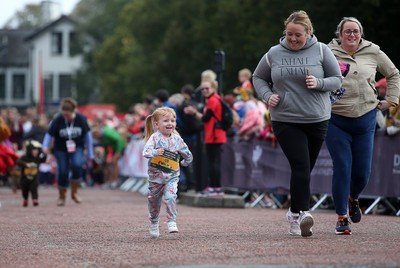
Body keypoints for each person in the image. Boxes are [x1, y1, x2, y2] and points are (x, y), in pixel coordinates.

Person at [253, 10, 342, 237]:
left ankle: (292, 213)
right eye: (289, 34)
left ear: (308, 32)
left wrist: (319, 82)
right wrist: (266, 95)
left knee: (303, 169)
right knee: (301, 166)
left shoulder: (322, 50)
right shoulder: (274, 53)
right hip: (285, 119)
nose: (293, 39)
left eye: (298, 35)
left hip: (317, 119)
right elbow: (258, 77)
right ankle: (304, 213)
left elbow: (337, 80)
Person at [326, 17, 400, 235]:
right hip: (336, 118)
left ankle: (353, 198)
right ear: (339, 34)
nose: (351, 35)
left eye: (355, 31)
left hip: (366, 117)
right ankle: (341, 218)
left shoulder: (373, 51)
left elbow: (394, 73)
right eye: (347, 31)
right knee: (342, 166)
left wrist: (392, 101)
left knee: (362, 173)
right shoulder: (326, 52)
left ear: (361, 34)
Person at [143, 107, 192, 238]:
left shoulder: (177, 139)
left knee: (170, 197)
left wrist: (186, 162)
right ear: (157, 124)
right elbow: (145, 152)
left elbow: (187, 153)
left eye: (173, 120)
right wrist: (155, 152)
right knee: (154, 201)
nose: (170, 123)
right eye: (166, 121)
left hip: (172, 175)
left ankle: (171, 221)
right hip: (156, 177)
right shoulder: (154, 138)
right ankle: (153, 221)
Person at [42, 98, 94, 206]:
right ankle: (62, 196)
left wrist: (90, 153)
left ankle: (74, 192)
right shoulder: (58, 119)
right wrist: (44, 146)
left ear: (74, 112)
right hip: (60, 149)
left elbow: (88, 136)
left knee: (77, 165)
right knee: (63, 171)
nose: (66, 117)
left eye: (68, 115)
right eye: (64, 114)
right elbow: (49, 134)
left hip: (77, 147)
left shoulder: (81, 119)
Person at [184, 80, 227, 197]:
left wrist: (194, 112)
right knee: (214, 161)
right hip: (214, 134)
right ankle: (215, 187)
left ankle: (215, 187)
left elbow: (206, 118)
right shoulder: (214, 99)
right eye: (202, 89)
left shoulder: (213, 100)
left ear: (213, 88)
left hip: (214, 135)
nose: (204, 91)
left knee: (214, 162)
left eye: (207, 88)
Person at [92, 124, 126, 189]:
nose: (95, 137)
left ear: (98, 132)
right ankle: (107, 181)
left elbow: (119, 139)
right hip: (112, 149)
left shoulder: (107, 133)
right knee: (107, 164)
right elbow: (106, 147)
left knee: (114, 162)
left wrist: (118, 152)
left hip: (120, 146)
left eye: (95, 135)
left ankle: (114, 181)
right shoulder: (101, 137)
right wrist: (105, 156)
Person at [17, 140, 45, 207]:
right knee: (24, 189)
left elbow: (43, 159)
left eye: (37, 150)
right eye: (34, 150)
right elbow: (18, 162)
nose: (36, 151)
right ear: (30, 150)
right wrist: (26, 164)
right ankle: (25, 199)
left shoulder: (37, 158)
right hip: (24, 177)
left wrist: (44, 153)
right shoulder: (24, 157)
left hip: (34, 177)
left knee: (34, 188)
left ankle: (35, 199)